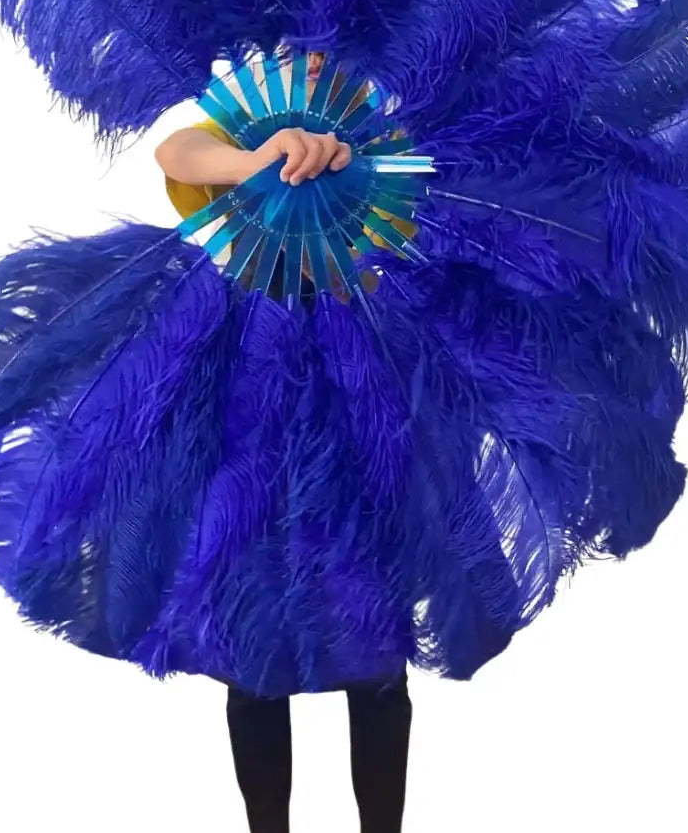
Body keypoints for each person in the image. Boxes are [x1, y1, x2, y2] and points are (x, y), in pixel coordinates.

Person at [154, 55, 414, 833]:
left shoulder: (389, 145)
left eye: (331, 45)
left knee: (376, 643)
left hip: (362, 405)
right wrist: (255, 161)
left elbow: (413, 249)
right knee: (254, 640)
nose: (312, 58)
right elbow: (176, 152)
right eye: (294, 45)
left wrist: (356, 178)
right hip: (251, 410)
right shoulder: (241, 131)